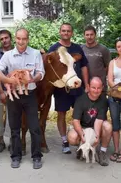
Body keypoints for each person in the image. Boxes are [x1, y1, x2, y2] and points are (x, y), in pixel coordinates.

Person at [0, 28, 44, 169]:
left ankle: (36, 156)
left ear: (28, 39)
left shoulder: (35, 54)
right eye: (19, 38)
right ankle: (15, 156)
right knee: (15, 127)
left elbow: (41, 72)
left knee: (34, 127)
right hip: (13, 97)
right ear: (15, 39)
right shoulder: (8, 55)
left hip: (30, 95)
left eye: (24, 39)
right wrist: (8, 81)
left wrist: (33, 79)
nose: (21, 42)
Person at [48, 23, 89, 154]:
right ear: (60, 32)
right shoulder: (54, 49)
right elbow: (49, 69)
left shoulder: (77, 48)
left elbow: (84, 66)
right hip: (61, 88)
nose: (66, 33)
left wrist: (87, 85)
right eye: (63, 31)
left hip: (77, 87)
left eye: (68, 31)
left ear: (72, 33)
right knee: (61, 114)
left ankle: (81, 139)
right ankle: (65, 141)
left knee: (81, 114)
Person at [67, 77, 112, 166]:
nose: (96, 90)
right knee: (72, 137)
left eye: (99, 88)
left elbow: (99, 121)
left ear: (102, 88)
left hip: (95, 127)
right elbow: (76, 121)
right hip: (83, 127)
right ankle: (81, 147)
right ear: (88, 87)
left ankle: (102, 151)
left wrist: (97, 136)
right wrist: (81, 134)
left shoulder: (103, 100)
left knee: (108, 126)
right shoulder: (80, 100)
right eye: (93, 87)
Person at [0, 29, 13, 153]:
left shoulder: (17, 52)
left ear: (10, 38)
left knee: (13, 116)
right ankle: (1, 141)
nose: (4, 40)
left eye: (6, 37)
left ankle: (12, 140)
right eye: (1, 39)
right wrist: (1, 92)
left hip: (14, 90)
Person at [81, 25, 111, 95]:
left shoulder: (103, 49)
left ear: (95, 35)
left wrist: (99, 77)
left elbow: (108, 67)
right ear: (84, 36)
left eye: (91, 34)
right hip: (85, 87)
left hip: (100, 87)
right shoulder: (81, 49)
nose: (89, 37)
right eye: (87, 35)